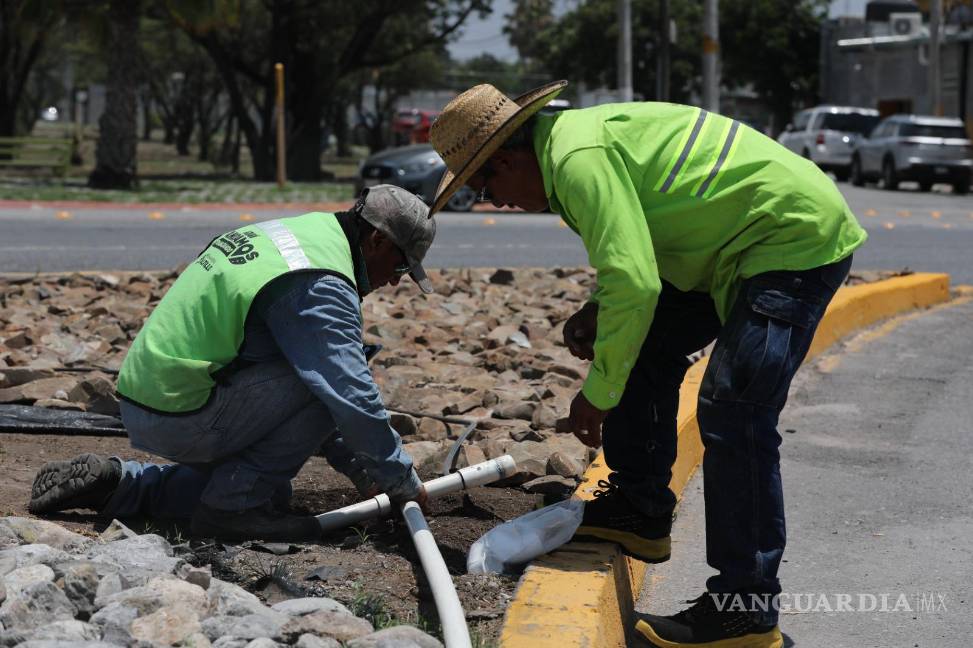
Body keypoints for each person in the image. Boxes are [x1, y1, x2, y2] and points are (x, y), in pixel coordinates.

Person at [428, 81, 866, 648]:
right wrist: (599, 311)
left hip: (789, 239)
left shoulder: (577, 159)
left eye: (484, 185)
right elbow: (644, 250)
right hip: (730, 249)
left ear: (509, 160)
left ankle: (745, 610)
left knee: (735, 413)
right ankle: (640, 507)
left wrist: (598, 395)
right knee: (632, 336)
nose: (492, 201)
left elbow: (633, 281)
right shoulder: (568, 152)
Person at [29, 185, 436, 542]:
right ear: (377, 241)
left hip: (149, 392)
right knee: (325, 386)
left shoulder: (305, 233)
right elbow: (349, 397)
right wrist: (398, 480)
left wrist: (366, 476)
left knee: (271, 492)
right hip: (183, 410)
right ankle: (233, 511)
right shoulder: (320, 282)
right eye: (402, 266)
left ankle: (122, 485)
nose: (396, 280)